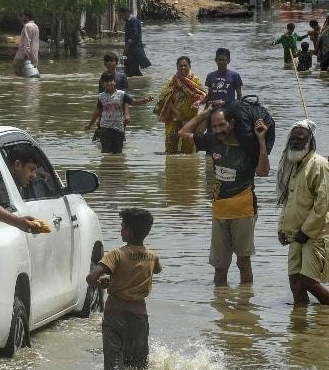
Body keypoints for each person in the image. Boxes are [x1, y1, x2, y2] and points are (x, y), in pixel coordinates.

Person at [178, 104, 270, 285]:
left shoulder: (248, 146)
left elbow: (263, 172)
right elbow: (182, 133)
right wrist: (205, 113)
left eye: (222, 125)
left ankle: (244, 305)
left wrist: (261, 140)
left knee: (243, 263)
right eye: (215, 126)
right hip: (219, 209)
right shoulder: (212, 141)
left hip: (244, 209)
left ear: (232, 123)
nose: (218, 130)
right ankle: (221, 306)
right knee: (219, 266)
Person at [86, 208, 161, 370]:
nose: (120, 229)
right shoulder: (152, 256)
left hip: (115, 317)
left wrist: (100, 282)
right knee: (138, 365)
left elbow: (91, 277)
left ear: (128, 231)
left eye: (122, 226)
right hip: (139, 318)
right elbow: (155, 270)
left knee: (113, 365)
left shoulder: (116, 254)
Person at [276, 120, 329, 305]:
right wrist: (281, 229)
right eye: (293, 138)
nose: (296, 142)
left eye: (301, 138)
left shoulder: (319, 164)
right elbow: (287, 202)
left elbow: (322, 204)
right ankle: (299, 330)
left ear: (310, 141)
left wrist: (305, 232)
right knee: (296, 283)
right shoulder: (293, 165)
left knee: (309, 281)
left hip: (314, 235)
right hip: (294, 235)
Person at [84, 73, 153, 154]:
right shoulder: (101, 96)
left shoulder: (122, 94)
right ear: (102, 83)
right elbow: (97, 111)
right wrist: (90, 125)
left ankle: (117, 166)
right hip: (105, 128)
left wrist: (145, 100)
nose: (109, 83)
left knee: (118, 153)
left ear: (114, 82)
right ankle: (105, 166)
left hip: (119, 128)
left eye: (111, 81)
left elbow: (133, 102)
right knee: (105, 152)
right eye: (106, 81)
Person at [155, 56, 207, 154]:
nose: (183, 68)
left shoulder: (195, 80)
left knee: (189, 150)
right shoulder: (172, 80)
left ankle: (187, 167)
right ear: (177, 67)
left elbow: (203, 96)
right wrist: (176, 112)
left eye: (185, 65)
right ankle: (171, 168)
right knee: (171, 148)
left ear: (189, 66)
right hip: (174, 118)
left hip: (190, 118)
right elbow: (165, 99)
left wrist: (198, 103)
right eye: (180, 66)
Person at [118, 7, 151, 77]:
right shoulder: (129, 21)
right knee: (129, 68)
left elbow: (134, 36)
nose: (121, 18)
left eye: (121, 16)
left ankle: (140, 83)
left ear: (126, 13)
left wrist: (126, 47)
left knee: (132, 68)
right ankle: (136, 83)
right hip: (132, 50)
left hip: (135, 50)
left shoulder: (133, 21)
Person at [13, 10, 40, 77]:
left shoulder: (27, 26)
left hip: (25, 54)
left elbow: (27, 41)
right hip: (34, 54)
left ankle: (22, 84)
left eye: (23, 17)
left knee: (16, 66)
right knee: (30, 70)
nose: (22, 19)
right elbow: (36, 41)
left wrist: (26, 54)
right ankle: (27, 83)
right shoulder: (36, 26)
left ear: (26, 17)